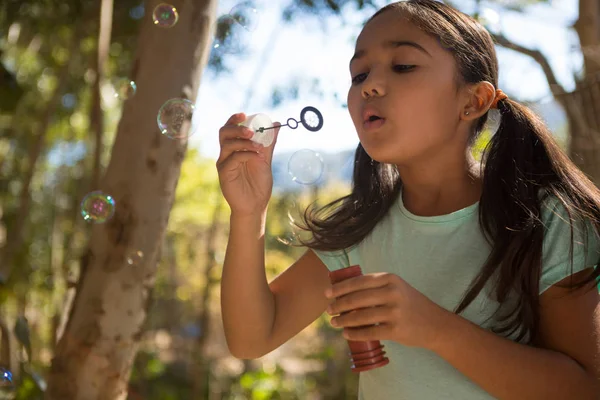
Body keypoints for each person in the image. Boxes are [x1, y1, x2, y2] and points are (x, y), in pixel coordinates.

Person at [216, 0, 600, 398]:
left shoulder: (544, 218)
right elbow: (252, 338)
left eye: (402, 66)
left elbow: (586, 389)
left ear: (473, 101)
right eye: (358, 73)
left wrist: (435, 329)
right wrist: (248, 213)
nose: (369, 85)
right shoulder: (360, 229)